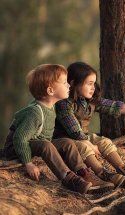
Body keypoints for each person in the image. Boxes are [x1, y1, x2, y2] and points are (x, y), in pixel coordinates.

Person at [3, 64, 114, 194]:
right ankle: (69, 178)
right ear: (50, 91)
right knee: (46, 145)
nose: (68, 86)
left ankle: (83, 173)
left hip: (38, 144)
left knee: (67, 142)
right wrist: (28, 163)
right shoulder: (35, 112)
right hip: (17, 149)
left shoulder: (52, 107)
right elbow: (20, 138)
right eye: (64, 83)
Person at [53, 62, 125, 188]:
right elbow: (74, 130)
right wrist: (90, 145)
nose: (93, 88)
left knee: (104, 142)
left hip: (83, 137)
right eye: (89, 83)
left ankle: (124, 170)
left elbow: (114, 106)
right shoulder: (64, 103)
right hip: (66, 140)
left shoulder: (89, 101)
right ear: (74, 83)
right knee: (84, 147)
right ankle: (103, 174)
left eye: (94, 84)